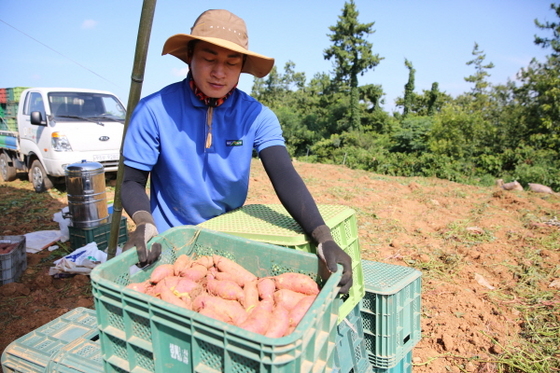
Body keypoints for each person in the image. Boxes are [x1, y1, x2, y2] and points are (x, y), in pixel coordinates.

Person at [121, 9, 353, 294]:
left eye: (232, 63)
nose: (220, 72)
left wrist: (323, 237)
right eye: (208, 59)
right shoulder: (153, 110)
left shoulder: (256, 116)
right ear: (190, 56)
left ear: (242, 66)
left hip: (227, 243)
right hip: (169, 242)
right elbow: (132, 181)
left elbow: (284, 174)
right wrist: (144, 222)